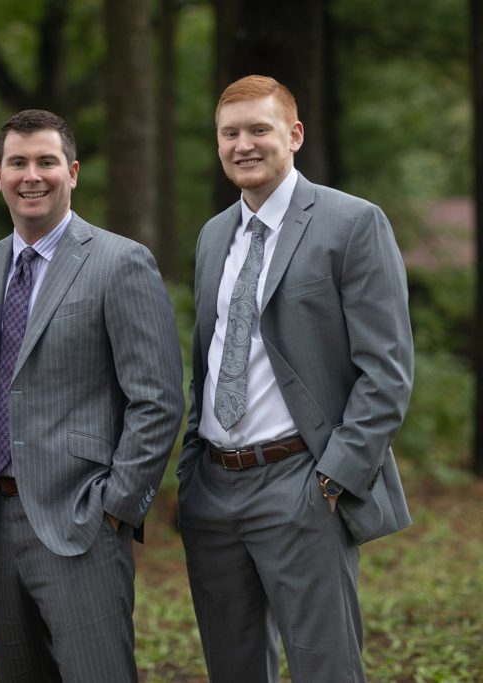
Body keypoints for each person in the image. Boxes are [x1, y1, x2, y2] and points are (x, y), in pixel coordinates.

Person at [178, 75, 414, 683]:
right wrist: (189, 471)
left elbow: (386, 372)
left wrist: (333, 479)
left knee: (325, 669)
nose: (243, 144)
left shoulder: (352, 223)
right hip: (213, 491)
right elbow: (206, 362)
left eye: (259, 129)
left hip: (302, 484)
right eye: (230, 133)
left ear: (295, 134)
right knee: (233, 669)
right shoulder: (212, 237)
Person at [0, 109, 184, 682]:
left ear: (72, 172)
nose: (33, 175)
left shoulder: (119, 261)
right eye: (18, 163)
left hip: (83, 523)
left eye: (47, 162)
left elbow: (157, 400)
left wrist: (117, 508)